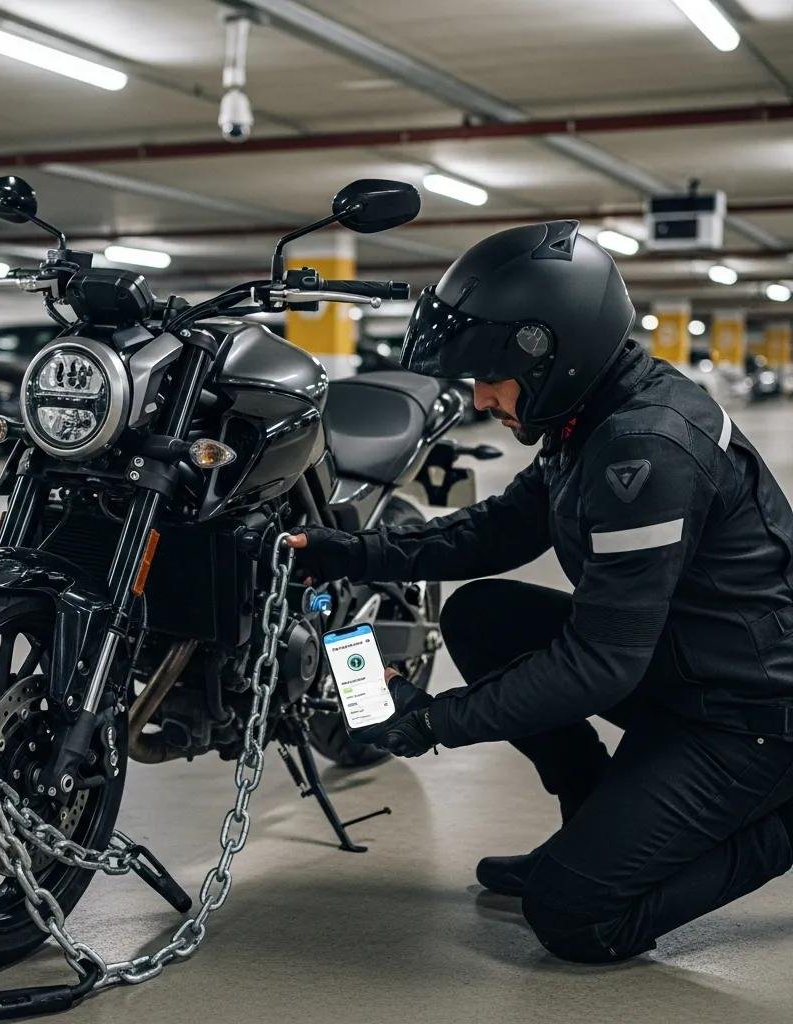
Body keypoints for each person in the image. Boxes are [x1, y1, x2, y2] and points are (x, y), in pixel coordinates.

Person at [285, 219, 793, 964]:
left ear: (553, 354)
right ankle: (585, 825)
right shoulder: (587, 417)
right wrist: (348, 552)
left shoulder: (644, 446)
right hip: (680, 670)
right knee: (485, 615)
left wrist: (427, 722)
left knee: (576, 918)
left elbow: (599, 666)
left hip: (749, 716)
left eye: (491, 375)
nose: (483, 396)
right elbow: (492, 533)